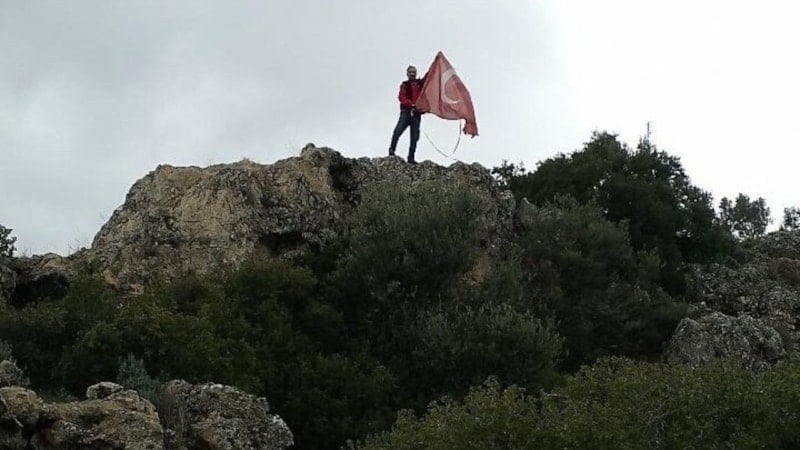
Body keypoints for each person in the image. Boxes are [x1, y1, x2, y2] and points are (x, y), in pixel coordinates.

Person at [388, 65, 426, 163]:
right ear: (407, 74)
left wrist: (436, 61)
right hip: (406, 112)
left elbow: (429, 76)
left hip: (416, 114)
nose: (412, 74)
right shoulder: (404, 85)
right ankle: (392, 150)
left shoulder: (420, 84)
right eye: (410, 72)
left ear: (416, 73)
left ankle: (411, 158)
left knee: (414, 137)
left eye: (414, 72)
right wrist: (412, 105)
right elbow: (401, 97)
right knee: (397, 131)